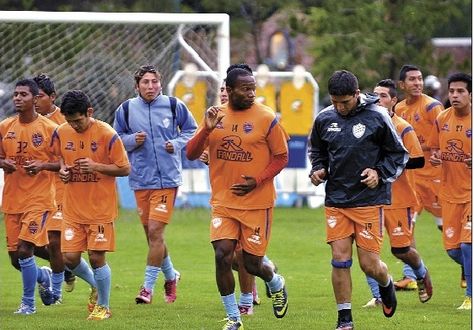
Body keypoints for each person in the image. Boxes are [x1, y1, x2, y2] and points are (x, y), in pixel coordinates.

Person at [187, 67, 289, 330]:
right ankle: (234, 318)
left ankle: (276, 282)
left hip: (257, 203)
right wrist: (205, 131)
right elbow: (190, 153)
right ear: (229, 90)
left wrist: (258, 180)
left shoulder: (267, 117)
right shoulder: (214, 115)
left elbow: (281, 157)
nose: (251, 93)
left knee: (252, 264)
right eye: (245, 89)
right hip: (223, 203)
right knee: (222, 255)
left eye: (253, 88)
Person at [309, 70, 408, 329]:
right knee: (340, 258)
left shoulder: (378, 116)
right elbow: (316, 151)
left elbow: (398, 154)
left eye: (345, 102)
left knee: (369, 265)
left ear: (357, 94)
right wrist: (318, 169)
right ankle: (344, 319)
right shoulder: (324, 118)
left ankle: (385, 283)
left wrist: (379, 173)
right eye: (335, 102)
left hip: (368, 200)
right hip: (336, 201)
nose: (340, 108)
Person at [113, 65, 197, 305]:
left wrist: (177, 143)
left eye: (154, 82)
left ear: (160, 83)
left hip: (167, 180)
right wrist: (132, 140)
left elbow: (192, 131)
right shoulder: (126, 109)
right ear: (137, 86)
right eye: (145, 83)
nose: (150, 87)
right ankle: (171, 276)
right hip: (141, 179)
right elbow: (116, 139)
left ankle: (147, 288)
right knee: (152, 237)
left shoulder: (174, 105)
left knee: (155, 232)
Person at [52, 90, 130, 320]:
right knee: (70, 259)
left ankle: (103, 307)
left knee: (97, 257)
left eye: (78, 120)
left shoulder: (107, 134)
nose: (74, 125)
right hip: (73, 208)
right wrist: (63, 169)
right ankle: (96, 285)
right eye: (70, 121)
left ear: (89, 112)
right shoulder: (61, 132)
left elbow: (124, 168)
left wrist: (97, 167)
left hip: (100, 209)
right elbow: (59, 158)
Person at [363, 79, 432, 308]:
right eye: (375, 94)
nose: (378, 99)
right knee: (367, 250)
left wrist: (388, 166)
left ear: (394, 101)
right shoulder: (365, 124)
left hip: (399, 199)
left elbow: (418, 159)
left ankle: (421, 273)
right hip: (371, 198)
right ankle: (379, 295)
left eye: (383, 95)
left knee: (400, 249)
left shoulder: (402, 126)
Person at [0, 78, 59, 314]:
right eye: (15, 94)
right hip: (13, 199)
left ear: (35, 99)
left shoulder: (51, 129)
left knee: (25, 250)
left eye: (23, 94)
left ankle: (28, 304)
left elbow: (63, 163)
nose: (17, 98)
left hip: (40, 199)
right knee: (16, 258)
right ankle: (43, 274)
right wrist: (3, 162)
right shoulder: (5, 127)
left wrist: (43, 165)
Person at [394, 64, 445, 291]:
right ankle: (410, 276)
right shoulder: (398, 108)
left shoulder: (433, 107)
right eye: (412, 79)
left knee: (448, 229)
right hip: (411, 180)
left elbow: (444, 138)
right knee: (407, 230)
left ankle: (466, 268)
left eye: (420, 78)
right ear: (402, 85)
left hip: (435, 179)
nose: (417, 83)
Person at [428, 72, 472, 310]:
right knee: (454, 250)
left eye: (460, 91)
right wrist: (435, 158)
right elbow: (435, 149)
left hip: (471, 195)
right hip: (449, 194)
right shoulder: (442, 118)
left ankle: (470, 297)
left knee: (468, 246)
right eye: (452, 91)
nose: (454, 95)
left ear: (471, 94)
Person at [33, 73, 77, 297]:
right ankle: (66, 269)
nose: (35, 101)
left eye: (39, 96)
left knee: (54, 240)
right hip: (36, 191)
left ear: (52, 97)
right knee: (27, 245)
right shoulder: (28, 121)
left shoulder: (66, 119)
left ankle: (56, 292)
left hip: (62, 190)